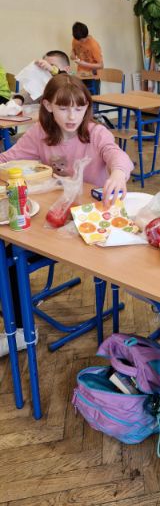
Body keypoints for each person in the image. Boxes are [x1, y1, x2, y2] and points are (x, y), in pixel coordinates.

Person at [0, 75, 134, 356]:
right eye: (63, 108)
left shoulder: (96, 133)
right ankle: (21, 328)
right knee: (7, 255)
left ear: (87, 107)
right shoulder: (40, 133)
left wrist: (119, 174)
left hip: (93, 224)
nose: (72, 116)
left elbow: (116, 155)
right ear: (48, 105)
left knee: (12, 258)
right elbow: (8, 159)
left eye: (79, 108)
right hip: (56, 221)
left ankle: (19, 320)